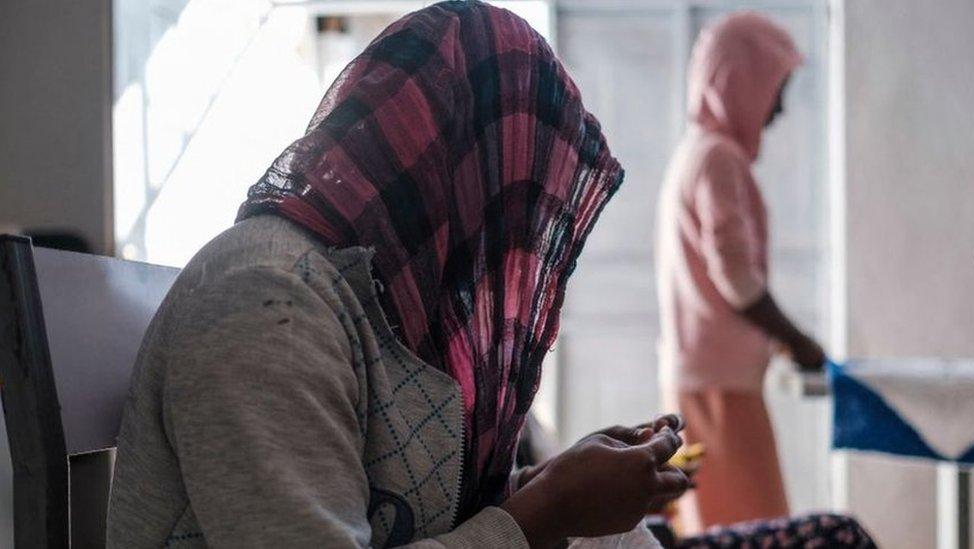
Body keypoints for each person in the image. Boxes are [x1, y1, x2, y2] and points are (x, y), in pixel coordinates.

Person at [107, 2, 689, 548]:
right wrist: (552, 509)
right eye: (512, 203)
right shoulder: (267, 303)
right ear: (456, 174)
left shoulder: (390, 304)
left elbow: (404, 505)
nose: (516, 250)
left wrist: (554, 485)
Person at [655, 12, 827, 533]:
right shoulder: (717, 159)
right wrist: (799, 340)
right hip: (719, 387)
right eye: (773, 90)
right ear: (740, 84)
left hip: (707, 377)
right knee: (750, 530)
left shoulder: (698, 154)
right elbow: (736, 278)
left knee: (722, 525)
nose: (777, 110)